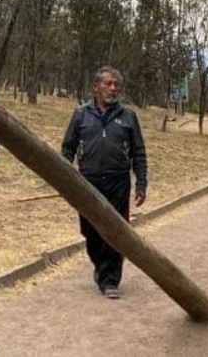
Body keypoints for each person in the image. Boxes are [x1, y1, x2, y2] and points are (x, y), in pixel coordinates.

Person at [60, 66, 147, 299]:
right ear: (96, 86)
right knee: (90, 231)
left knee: (116, 231)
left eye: (116, 84)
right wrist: (64, 177)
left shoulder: (128, 116)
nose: (113, 88)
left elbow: (138, 152)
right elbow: (67, 148)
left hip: (118, 182)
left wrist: (141, 184)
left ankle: (110, 280)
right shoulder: (81, 114)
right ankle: (100, 267)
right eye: (108, 84)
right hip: (87, 182)